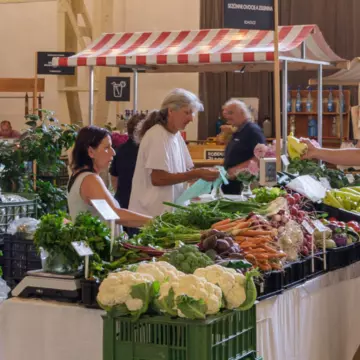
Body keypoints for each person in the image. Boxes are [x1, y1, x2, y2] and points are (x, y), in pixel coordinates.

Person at [129, 88, 220, 217]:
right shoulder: (157, 135)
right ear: (171, 111)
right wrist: (197, 173)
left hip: (168, 214)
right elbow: (158, 178)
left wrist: (204, 176)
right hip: (151, 216)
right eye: (187, 112)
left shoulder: (176, 135)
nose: (191, 118)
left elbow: (185, 170)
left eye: (192, 113)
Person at [67, 125, 151, 228]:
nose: (113, 152)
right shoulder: (90, 180)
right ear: (91, 152)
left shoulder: (79, 175)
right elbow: (114, 214)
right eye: (107, 147)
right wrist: (155, 222)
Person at [221, 99, 266, 194]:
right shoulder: (239, 130)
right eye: (226, 113)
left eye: (230, 113)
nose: (227, 116)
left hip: (243, 185)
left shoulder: (252, 130)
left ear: (242, 112)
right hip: (232, 182)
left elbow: (260, 156)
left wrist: (236, 170)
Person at [110, 113, 145, 209]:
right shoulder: (146, 151)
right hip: (140, 204)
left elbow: (114, 177)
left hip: (122, 201)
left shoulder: (120, 149)